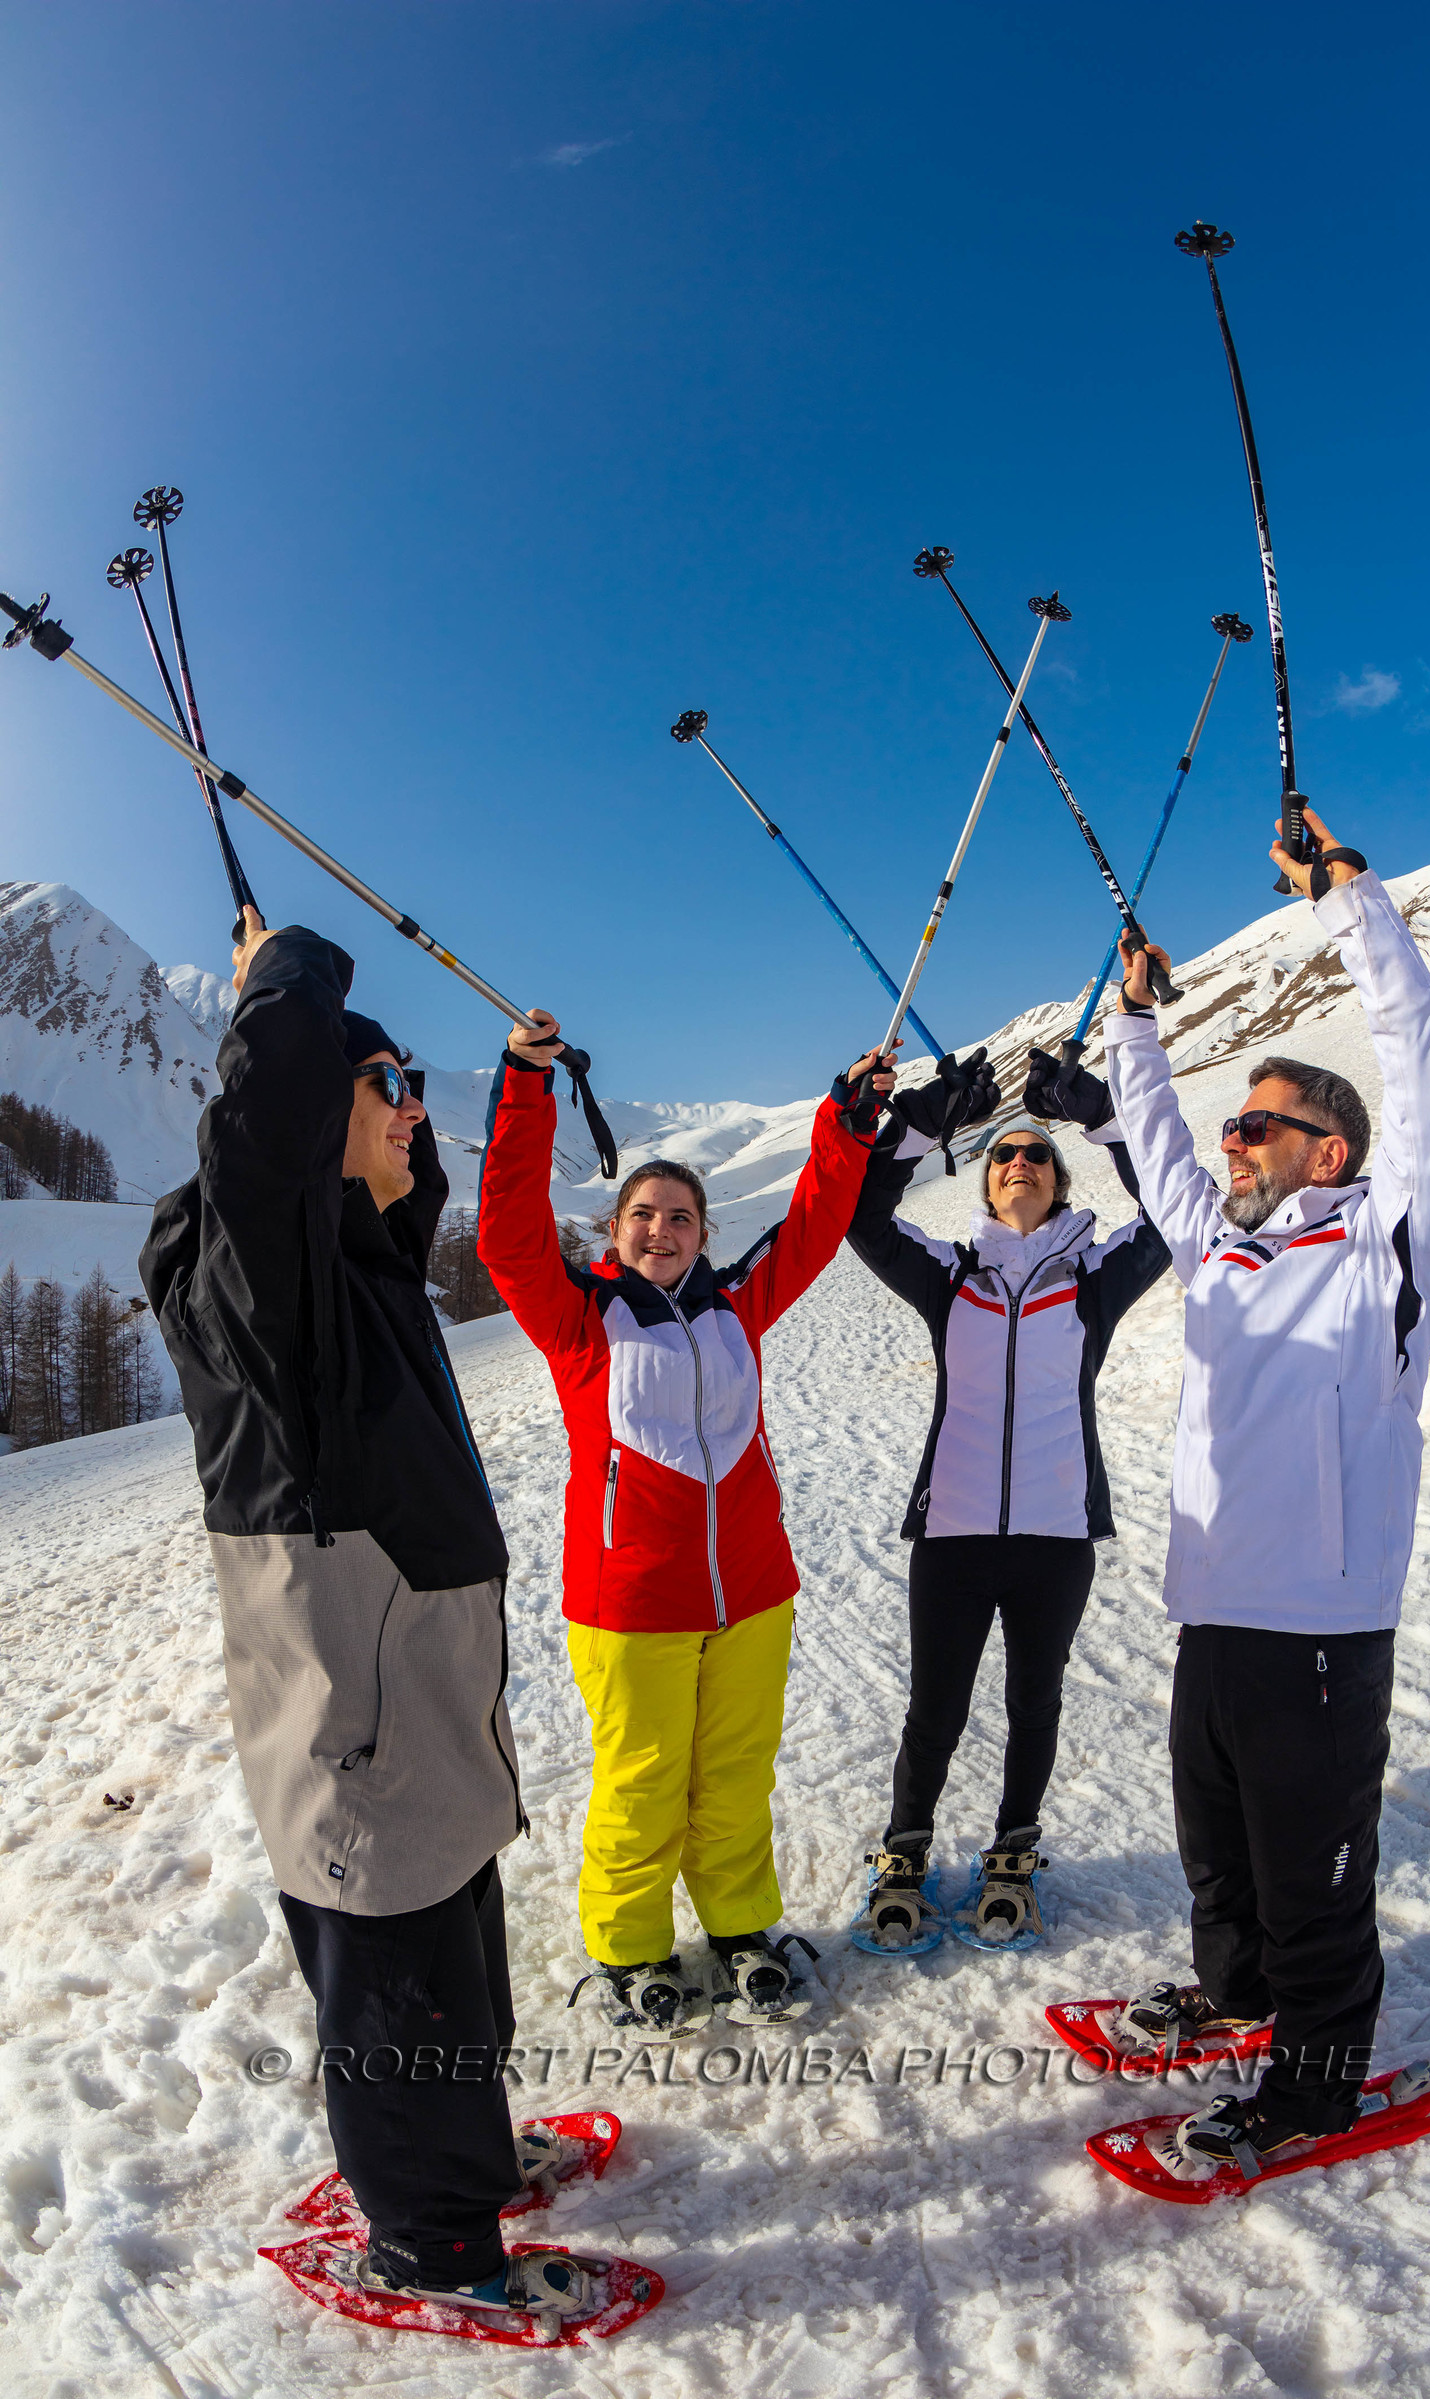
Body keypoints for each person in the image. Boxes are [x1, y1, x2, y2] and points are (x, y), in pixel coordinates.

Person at [140, 908, 557, 2325]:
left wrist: (507, 1077)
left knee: (460, 1966)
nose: (412, 1111)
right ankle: (432, 2239)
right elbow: (262, 1133)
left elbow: (412, 1187)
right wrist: (292, 974)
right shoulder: (270, 1284)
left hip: (423, 1707)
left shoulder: (357, 1265)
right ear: (322, 1104)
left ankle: (467, 2160)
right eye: (389, 1085)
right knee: (399, 1989)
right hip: (360, 1721)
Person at [1101, 804, 1430, 2176]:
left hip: (1321, 1622)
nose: (1234, 1140)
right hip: (1214, 1608)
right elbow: (1149, 1136)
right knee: (1222, 1852)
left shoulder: (1389, 1240)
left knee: (1314, 1869)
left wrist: (1350, 904)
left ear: (1330, 1148)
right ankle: (1238, 1990)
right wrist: (1135, 1024)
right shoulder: (1221, 1247)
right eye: (1235, 1121)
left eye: (1261, 1122)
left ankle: (1318, 2078)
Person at [476, 1010, 896, 2036]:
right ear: (613, 1232)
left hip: (753, 1591)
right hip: (632, 1601)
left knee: (737, 1772)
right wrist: (526, 1087)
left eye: (678, 1217)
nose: (660, 1230)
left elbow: (811, 1225)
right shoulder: (580, 1317)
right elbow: (506, 1235)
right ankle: (630, 1944)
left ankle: (742, 1927)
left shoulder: (738, 1306)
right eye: (642, 1216)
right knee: (644, 1775)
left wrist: (845, 1124)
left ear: (703, 1233)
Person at [843, 1051, 1170, 1952]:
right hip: (951, 1533)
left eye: (1034, 1152)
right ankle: (904, 1853)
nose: (1017, 1160)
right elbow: (864, 1223)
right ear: (985, 1186)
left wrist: (1105, 1119)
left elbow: (1172, 1215)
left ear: (1061, 1180)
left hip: (1056, 1536)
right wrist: (920, 1124)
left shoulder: (1093, 1279)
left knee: (1037, 1699)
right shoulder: (953, 1275)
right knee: (935, 1707)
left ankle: (1013, 1851)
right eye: (1000, 1156)